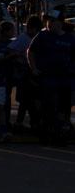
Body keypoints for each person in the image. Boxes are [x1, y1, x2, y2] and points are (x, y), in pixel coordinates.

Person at [28, 9, 75, 144]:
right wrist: (34, 68)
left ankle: (63, 130)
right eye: (47, 21)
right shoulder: (43, 36)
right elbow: (31, 52)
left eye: (51, 21)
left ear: (59, 22)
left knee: (64, 107)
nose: (48, 23)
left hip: (65, 78)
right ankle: (50, 131)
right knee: (49, 105)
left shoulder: (70, 38)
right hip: (48, 77)